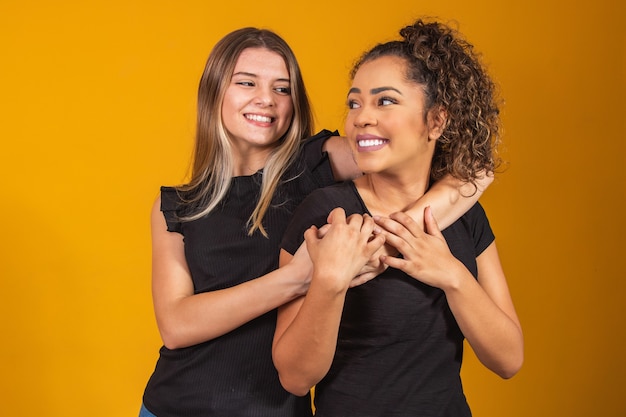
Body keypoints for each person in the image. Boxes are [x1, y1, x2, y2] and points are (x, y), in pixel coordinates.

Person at [140, 26, 491, 417]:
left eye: (282, 88)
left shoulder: (315, 163)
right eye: (246, 82)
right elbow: (176, 325)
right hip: (170, 406)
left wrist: (388, 238)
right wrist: (301, 278)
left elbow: (473, 171)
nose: (266, 100)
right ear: (214, 91)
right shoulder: (177, 205)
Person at [272, 19, 524, 417]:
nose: (361, 117)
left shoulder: (466, 218)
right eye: (355, 103)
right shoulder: (326, 213)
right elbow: (294, 377)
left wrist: (451, 275)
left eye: (384, 101)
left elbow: (508, 359)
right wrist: (330, 282)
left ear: (436, 121)